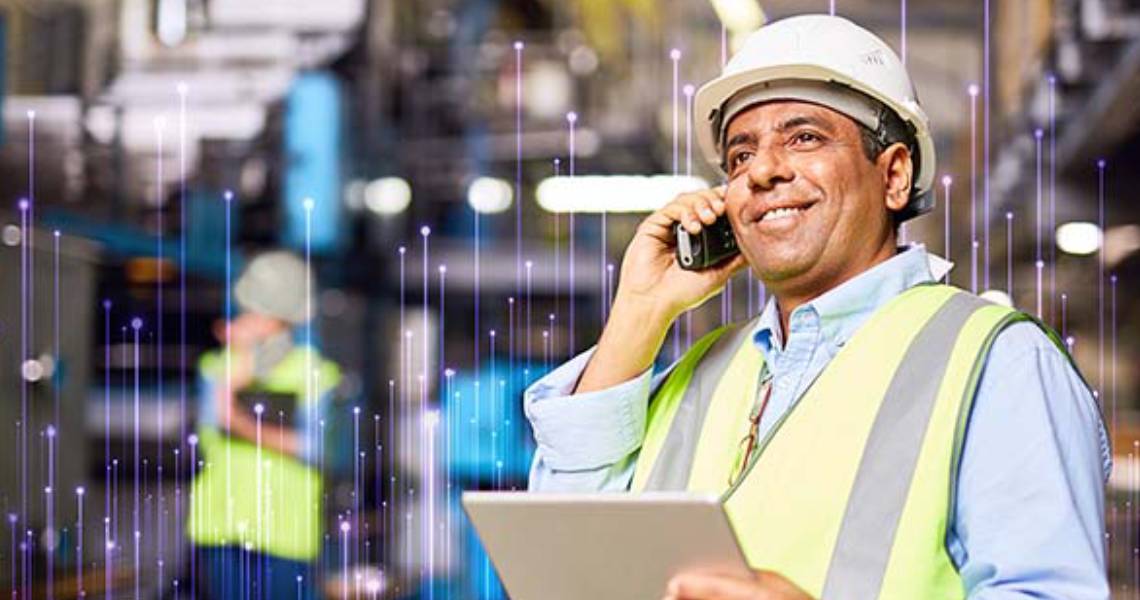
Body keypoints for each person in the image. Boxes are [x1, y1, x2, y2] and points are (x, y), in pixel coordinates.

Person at [524, 14, 1110, 600]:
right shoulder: (701, 372)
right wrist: (640, 310)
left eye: (804, 137)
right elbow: (566, 557)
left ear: (895, 175)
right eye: (739, 156)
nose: (763, 170)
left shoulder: (998, 363)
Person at [186, 251, 340, 599]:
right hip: (222, 529)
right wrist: (238, 375)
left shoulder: (313, 372)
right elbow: (209, 432)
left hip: (284, 535)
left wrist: (241, 422)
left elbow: (313, 447)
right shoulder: (217, 367)